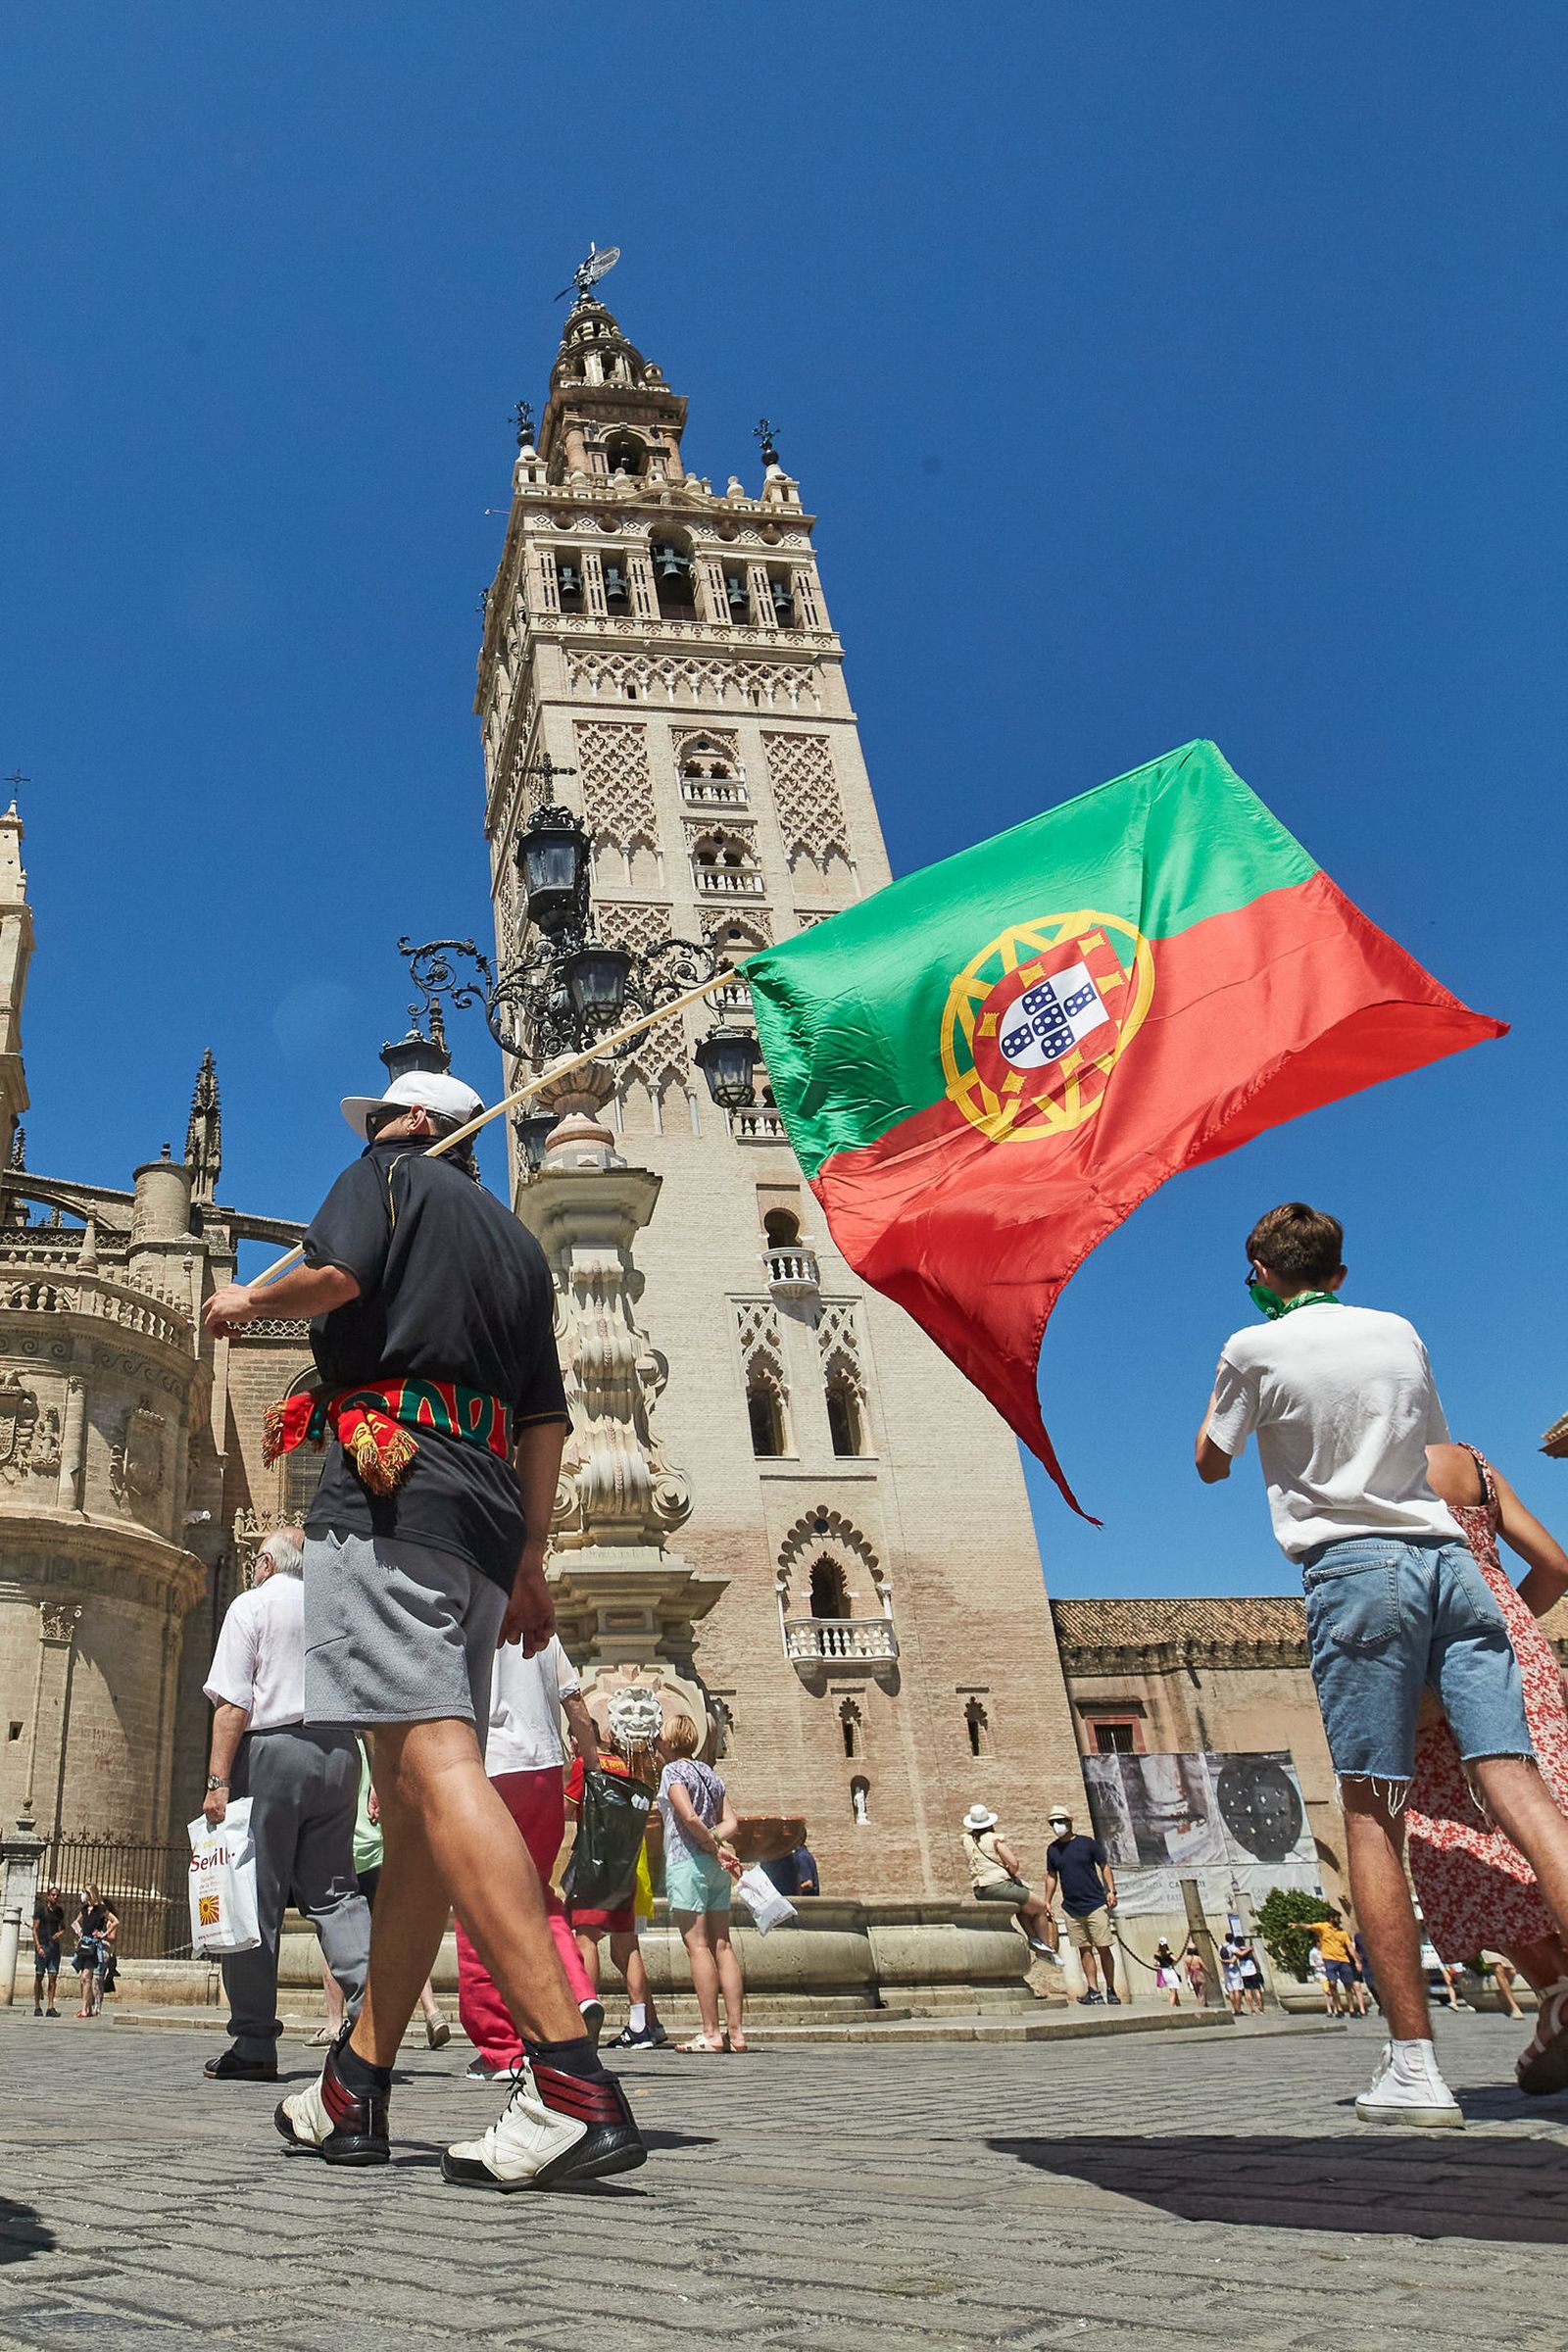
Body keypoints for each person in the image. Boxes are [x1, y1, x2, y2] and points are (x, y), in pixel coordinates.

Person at [203, 1068, 643, 2189]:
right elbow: (548, 1421)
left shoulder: (383, 1177)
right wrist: (531, 1553)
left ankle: (570, 2086)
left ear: (408, 1127)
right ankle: (355, 2089)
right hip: (485, 1513)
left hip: (389, 1494)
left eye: (383, 1123)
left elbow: (333, 1272)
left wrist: (243, 1306)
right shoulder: (513, 1247)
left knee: (435, 1769)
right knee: (412, 1823)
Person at [1196, 1200, 1568, 2131]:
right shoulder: (1397, 1329)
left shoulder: (1251, 1347)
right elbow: (1425, 1444)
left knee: (1371, 1812)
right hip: (1454, 1565)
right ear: (1341, 1270)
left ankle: (1414, 2068)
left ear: (1260, 1271)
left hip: (1359, 1572)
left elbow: (1210, 1463)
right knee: (1519, 1789)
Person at [1403, 1441, 1568, 2090]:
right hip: (1518, 1645)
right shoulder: (1473, 1463)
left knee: (1457, 1838)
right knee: (1546, 1808)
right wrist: (1510, 1627)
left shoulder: (1366, 1468)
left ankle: (1555, 1992)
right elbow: (1555, 1566)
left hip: (1437, 1658)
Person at [200, 1527, 372, 2082]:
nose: (252, 1566)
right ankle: (371, 2008)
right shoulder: (337, 1611)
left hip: (273, 1753)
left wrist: (217, 1781)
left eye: (256, 1558)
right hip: (341, 1753)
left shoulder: (251, 1606)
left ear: (270, 1564)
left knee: (254, 1896)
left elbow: (232, 1704)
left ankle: (253, 2042)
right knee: (336, 1892)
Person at [459, 1635, 605, 2081]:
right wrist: (594, 1771)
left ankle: (501, 2048)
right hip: (544, 1770)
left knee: (476, 1904)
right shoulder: (543, 1630)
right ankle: (578, 1991)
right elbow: (576, 1704)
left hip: (490, 1767)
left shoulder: (469, 1616)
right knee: (536, 1895)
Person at [564, 1688, 668, 2053]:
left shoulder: (584, 1766)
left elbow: (566, 1809)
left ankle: (585, 2014)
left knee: (586, 1937)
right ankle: (641, 2021)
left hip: (594, 1864)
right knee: (628, 1944)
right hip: (624, 1866)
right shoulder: (623, 1766)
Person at [350, 1744, 450, 2051]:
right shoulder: (380, 1750)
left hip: (352, 1851)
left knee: (340, 1926)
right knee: (399, 1934)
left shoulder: (348, 1750)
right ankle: (432, 2010)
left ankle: (344, 2022)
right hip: (381, 1847)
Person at [657, 1712, 745, 2054]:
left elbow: (687, 1815)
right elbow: (732, 1822)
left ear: (670, 1739)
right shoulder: (711, 1774)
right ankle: (736, 2034)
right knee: (723, 1945)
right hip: (715, 1868)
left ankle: (711, 2033)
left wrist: (708, 1844)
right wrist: (719, 1847)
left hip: (687, 1864)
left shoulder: (672, 1771)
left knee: (698, 1947)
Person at [959, 1805, 1060, 1961]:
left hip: (980, 1890)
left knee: (1022, 1905)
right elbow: (1014, 1864)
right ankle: (1046, 1949)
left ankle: (1033, 1938)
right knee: (1040, 1906)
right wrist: (1010, 1871)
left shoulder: (967, 1840)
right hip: (999, 1886)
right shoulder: (994, 1839)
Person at [1043, 1805, 1119, 2006]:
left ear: (1069, 1822)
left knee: (1103, 1947)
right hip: (1071, 1907)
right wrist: (1047, 1900)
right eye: (1053, 1822)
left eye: (1060, 1821)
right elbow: (1052, 1876)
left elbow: (1104, 1865)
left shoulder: (1087, 1843)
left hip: (1094, 1903)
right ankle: (1093, 1991)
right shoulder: (1052, 1850)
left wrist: (1111, 1890)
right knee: (1084, 1949)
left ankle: (1111, 1989)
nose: (1057, 1825)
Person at [70, 1888, 117, 2019]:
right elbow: (75, 1922)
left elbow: (115, 1922)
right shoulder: (84, 1909)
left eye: (85, 1892)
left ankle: (91, 2007)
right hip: (84, 1945)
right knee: (84, 1978)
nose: (83, 1895)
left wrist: (103, 1934)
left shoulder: (100, 1910)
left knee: (91, 1978)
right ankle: (87, 2007)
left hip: (95, 1948)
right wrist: (79, 1932)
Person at [1303, 1910, 1359, 2019]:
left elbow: (1350, 1948)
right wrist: (1296, 1925)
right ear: (1331, 1918)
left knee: (1348, 1985)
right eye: (1337, 1918)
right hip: (1329, 1960)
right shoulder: (1323, 1927)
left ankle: (1352, 2009)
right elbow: (1309, 1926)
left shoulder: (1343, 1933)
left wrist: (1357, 1961)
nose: (1339, 1920)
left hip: (1343, 1960)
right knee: (1332, 1984)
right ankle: (1339, 2009)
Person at [31, 1885, 65, 2017]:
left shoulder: (59, 1912)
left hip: (54, 1947)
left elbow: (63, 1927)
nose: (55, 1897)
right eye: (53, 1895)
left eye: (57, 1895)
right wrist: (38, 1946)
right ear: (48, 1896)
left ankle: (50, 2006)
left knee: (53, 1977)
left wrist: (60, 1933)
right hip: (43, 1945)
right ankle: (37, 2005)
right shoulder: (41, 1910)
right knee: (39, 1976)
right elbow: (35, 1929)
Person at [1234, 1933, 1266, 2015]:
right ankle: (1261, 2008)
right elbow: (1255, 1959)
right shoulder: (1249, 1950)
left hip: (1244, 1972)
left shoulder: (1237, 1951)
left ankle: (1252, 2010)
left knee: (1248, 1991)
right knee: (1257, 1990)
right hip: (1252, 1970)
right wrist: (1258, 1967)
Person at [1218, 1934, 1246, 2016]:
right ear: (1232, 1939)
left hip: (1226, 1970)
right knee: (1237, 1990)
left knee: (1230, 1991)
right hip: (1234, 1970)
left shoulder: (1221, 1947)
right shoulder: (1232, 1947)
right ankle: (1238, 2009)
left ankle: (1234, 2008)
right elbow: (1240, 1954)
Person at [1152, 1937, 1181, 2006]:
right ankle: (1171, 2005)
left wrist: (1160, 1964)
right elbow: (1175, 1959)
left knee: (1171, 1989)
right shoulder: (1168, 1953)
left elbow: (1154, 1963)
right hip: (1170, 1971)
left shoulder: (1157, 1954)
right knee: (1174, 1990)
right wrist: (1172, 1964)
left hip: (1163, 1972)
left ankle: (1175, 2004)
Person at [1183, 1940, 1208, 2007]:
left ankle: (1201, 2003)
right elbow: (1204, 1966)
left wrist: (1187, 1978)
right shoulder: (1198, 1958)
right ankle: (1201, 2006)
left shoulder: (1186, 1959)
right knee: (1202, 1992)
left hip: (1192, 1975)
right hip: (1200, 1974)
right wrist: (1209, 1974)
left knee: (1197, 1992)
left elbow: (1186, 1970)